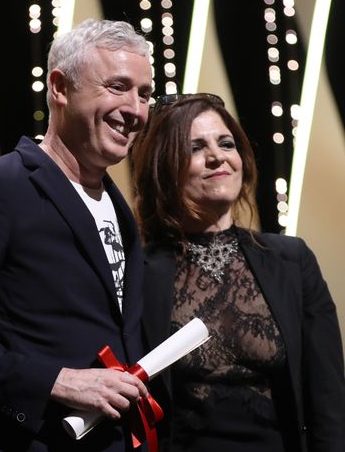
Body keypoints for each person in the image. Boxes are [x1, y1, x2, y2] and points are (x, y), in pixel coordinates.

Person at [0, 19, 154, 451]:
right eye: (118, 86)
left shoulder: (121, 208)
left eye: (144, 94)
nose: (136, 110)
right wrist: (54, 382)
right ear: (60, 87)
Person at [130, 93, 345, 451]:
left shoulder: (292, 260)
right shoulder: (140, 271)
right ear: (164, 168)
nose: (217, 156)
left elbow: (328, 397)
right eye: (196, 147)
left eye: (226, 143)